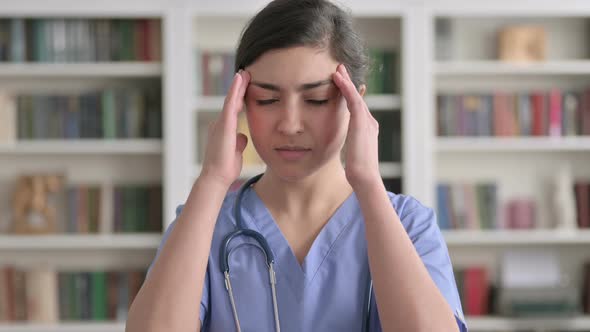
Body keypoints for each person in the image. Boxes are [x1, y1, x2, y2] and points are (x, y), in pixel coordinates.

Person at [126, 0, 467, 331]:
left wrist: (368, 182)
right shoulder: (202, 224)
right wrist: (212, 181)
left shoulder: (409, 225)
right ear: (240, 104)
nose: (290, 124)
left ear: (355, 104)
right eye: (267, 99)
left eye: (316, 100)